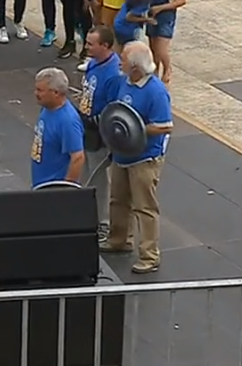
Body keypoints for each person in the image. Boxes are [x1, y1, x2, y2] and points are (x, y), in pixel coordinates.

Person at [101, 40, 172, 274]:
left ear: (135, 67)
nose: (119, 61)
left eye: (123, 59)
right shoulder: (125, 81)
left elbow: (165, 126)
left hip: (144, 158)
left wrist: (136, 129)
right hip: (122, 153)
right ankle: (119, 239)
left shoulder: (156, 91)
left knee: (145, 207)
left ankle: (150, 256)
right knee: (118, 199)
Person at [76, 25, 122, 242]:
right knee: (86, 173)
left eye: (90, 44)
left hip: (99, 132)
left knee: (99, 178)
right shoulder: (94, 64)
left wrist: (97, 122)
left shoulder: (113, 74)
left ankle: (103, 223)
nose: (87, 47)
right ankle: (90, 216)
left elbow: (114, 109)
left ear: (105, 46)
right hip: (85, 125)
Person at [30, 67, 84, 188]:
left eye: (40, 90)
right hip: (41, 185)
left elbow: (78, 157)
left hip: (53, 190)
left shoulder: (68, 121)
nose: (36, 93)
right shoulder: (46, 107)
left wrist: (65, 189)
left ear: (55, 93)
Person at [146, 0, 185, 84]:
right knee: (153, 47)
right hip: (152, 15)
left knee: (161, 48)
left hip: (166, 15)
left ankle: (168, 69)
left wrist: (161, 8)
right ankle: (155, 74)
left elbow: (182, 0)